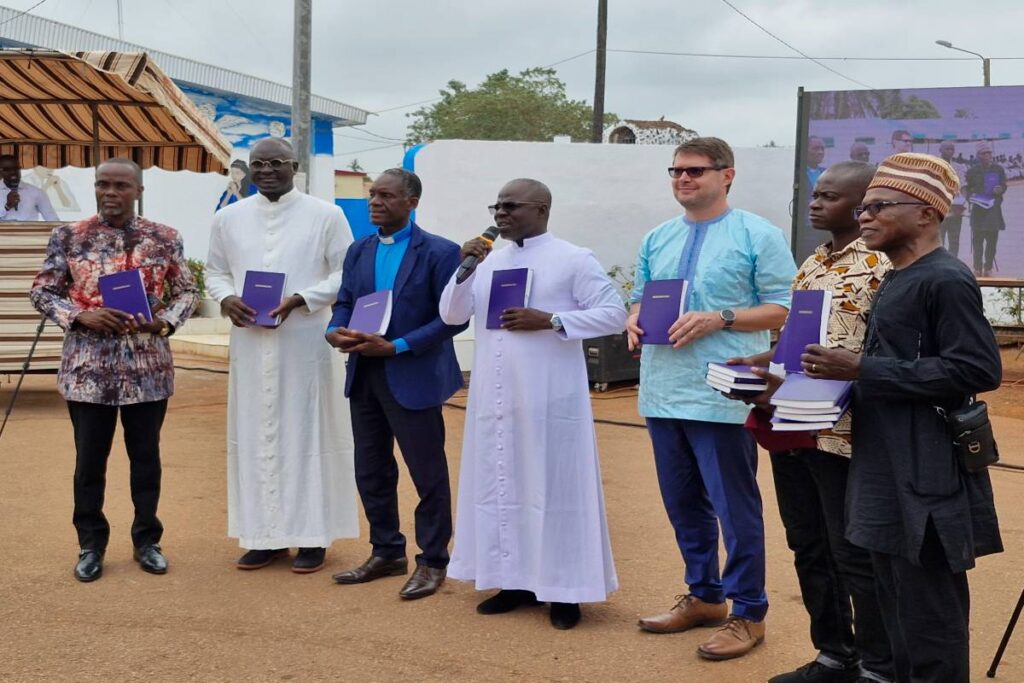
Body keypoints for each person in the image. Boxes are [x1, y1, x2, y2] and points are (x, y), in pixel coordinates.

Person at [803, 153, 1003, 682]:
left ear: (926, 215)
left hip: (926, 473)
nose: (865, 217)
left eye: (880, 206)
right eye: (864, 207)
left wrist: (862, 367)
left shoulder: (945, 279)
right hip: (883, 466)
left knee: (928, 616)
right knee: (893, 610)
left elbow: (976, 368)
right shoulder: (896, 277)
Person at [629, 137, 796, 660]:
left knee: (733, 506)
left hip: (722, 391)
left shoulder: (756, 234)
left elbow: (784, 309)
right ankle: (704, 596)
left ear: (727, 175)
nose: (683, 178)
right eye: (676, 170)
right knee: (683, 504)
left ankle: (749, 611)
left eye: (696, 170)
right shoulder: (657, 236)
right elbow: (639, 295)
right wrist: (633, 319)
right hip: (662, 391)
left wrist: (720, 317)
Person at [729, 162, 894, 683]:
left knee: (853, 553)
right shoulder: (814, 261)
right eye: (814, 195)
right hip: (790, 419)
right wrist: (763, 365)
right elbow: (797, 342)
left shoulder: (881, 266)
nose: (815, 203)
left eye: (829, 196)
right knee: (807, 544)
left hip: (843, 431)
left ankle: (876, 665)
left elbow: (879, 351)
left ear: (864, 203)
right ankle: (833, 653)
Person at [439, 178, 625, 630]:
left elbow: (614, 313)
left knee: (555, 490)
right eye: (496, 205)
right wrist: (462, 270)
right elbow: (450, 314)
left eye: (510, 206)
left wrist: (553, 320)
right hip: (495, 401)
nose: (500, 213)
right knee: (503, 487)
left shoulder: (573, 258)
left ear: (540, 209)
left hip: (550, 400)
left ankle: (565, 592)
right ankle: (513, 581)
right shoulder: (487, 260)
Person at [29, 158, 199, 582]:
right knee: (89, 462)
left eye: (120, 185)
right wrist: (78, 316)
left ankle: (148, 540)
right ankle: (90, 544)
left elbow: (187, 292)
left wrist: (164, 322)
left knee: (146, 459)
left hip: (147, 369)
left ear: (138, 190)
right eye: (102, 184)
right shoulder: (69, 236)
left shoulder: (164, 238)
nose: (110, 193)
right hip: (88, 371)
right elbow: (43, 290)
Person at [205, 138, 357, 574]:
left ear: (295, 166)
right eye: (258, 164)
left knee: (308, 435)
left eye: (276, 163)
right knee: (253, 436)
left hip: (304, 342)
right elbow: (214, 271)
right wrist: (227, 298)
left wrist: (302, 298)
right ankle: (263, 537)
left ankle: (312, 537)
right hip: (250, 343)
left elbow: (345, 271)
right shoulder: (227, 218)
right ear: (248, 169)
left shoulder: (327, 215)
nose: (267, 170)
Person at [326, 168, 466, 600]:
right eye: (372, 195)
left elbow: (452, 318)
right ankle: (386, 551)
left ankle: (433, 560)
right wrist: (335, 329)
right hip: (364, 373)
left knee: (426, 473)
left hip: (412, 374)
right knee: (371, 470)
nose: (375, 202)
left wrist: (399, 345)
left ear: (412, 202)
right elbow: (346, 301)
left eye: (386, 196)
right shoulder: (359, 249)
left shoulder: (442, 252)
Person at [964, 142, 1007, 276]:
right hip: (978, 211)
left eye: (989, 153)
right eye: (984, 153)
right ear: (978, 156)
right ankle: (977, 267)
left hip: (993, 210)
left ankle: (988, 267)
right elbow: (966, 189)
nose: (988, 155)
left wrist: (1001, 189)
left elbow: (1004, 185)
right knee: (977, 241)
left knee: (992, 241)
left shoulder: (998, 169)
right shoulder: (972, 171)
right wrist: (970, 196)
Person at [1, 154, 59, 221]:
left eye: (16, 168)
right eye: (7, 169)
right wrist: (7, 206)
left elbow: (52, 219)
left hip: (29, 231)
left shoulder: (36, 192)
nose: (13, 172)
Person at [938, 141, 968, 259]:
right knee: (938, 242)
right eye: (947, 149)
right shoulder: (933, 166)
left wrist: (962, 200)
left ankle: (953, 263)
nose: (950, 151)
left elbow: (964, 187)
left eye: (952, 149)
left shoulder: (959, 168)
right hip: (939, 212)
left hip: (956, 211)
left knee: (954, 240)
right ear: (940, 150)